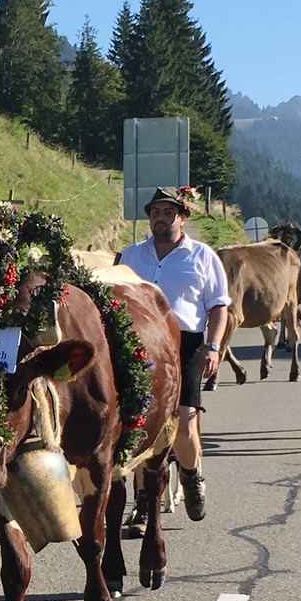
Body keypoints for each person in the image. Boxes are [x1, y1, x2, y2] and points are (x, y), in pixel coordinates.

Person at [117, 187, 230, 521]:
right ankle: (143, 502)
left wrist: (212, 347)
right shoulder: (130, 256)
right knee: (139, 426)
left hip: (186, 346)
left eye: (168, 213)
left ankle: (191, 474)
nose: (160, 219)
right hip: (138, 347)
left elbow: (218, 306)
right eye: (155, 212)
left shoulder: (202, 256)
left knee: (182, 425)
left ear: (182, 217)